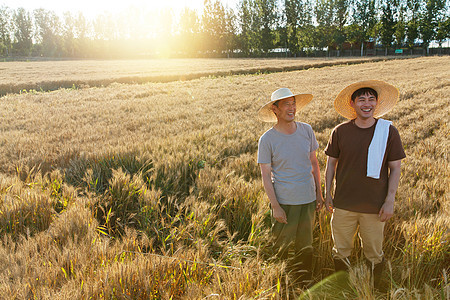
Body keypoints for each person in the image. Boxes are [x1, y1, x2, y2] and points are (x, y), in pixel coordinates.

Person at [324, 80, 406, 288]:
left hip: (374, 206)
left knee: (374, 253)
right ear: (352, 104)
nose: (367, 104)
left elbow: (395, 168)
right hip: (343, 204)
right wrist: (327, 194)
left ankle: (372, 289)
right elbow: (330, 165)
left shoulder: (388, 131)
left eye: (371, 99)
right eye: (362, 99)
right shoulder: (340, 131)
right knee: (340, 250)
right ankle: (342, 288)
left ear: (377, 103)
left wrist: (389, 201)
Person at [257, 87, 323, 287]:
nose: (291, 107)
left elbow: (314, 163)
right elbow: (266, 175)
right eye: (286, 104)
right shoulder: (267, 139)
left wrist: (319, 194)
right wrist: (275, 206)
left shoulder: (306, 130)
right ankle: (282, 282)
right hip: (285, 202)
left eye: (293, 103)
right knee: (282, 246)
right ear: (274, 110)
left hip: (308, 199)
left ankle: (305, 280)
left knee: (306, 245)